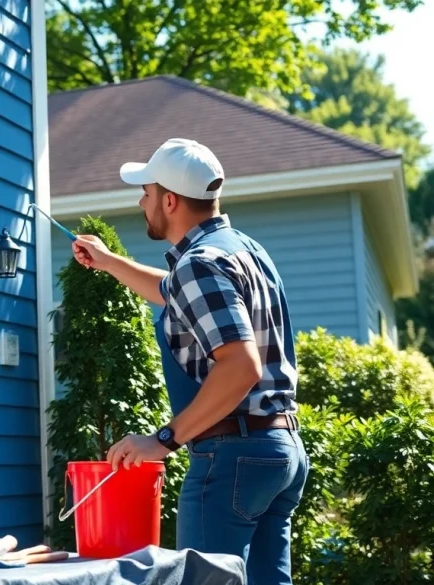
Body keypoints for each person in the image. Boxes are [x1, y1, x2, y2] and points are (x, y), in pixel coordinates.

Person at [71, 138, 309, 584]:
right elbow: (173, 292)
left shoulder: (199, 264)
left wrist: (162, 440)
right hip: (281, 451)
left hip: (232, 455)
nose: (141, 202)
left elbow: (240, 366)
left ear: (170, 201)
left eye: (146, 192)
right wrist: (108, 262)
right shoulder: (245, 251)